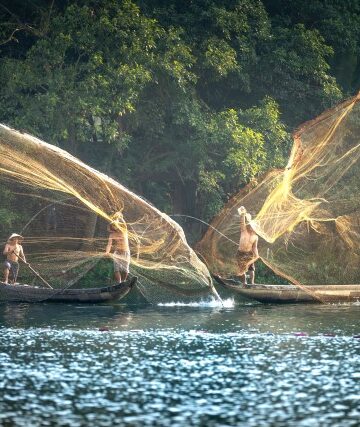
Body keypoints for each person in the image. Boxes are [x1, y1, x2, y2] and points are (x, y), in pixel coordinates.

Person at [105, 212, 130, 283]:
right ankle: (119, 283)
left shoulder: (123, 231)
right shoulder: (112, 235)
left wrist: (120, 217)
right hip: (117, 252)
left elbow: (124, 224)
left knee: (126, 270)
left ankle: (124, 281)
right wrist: (107, 252)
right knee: (116, 269)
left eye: (115, 226)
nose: (114, 227)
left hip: (126, 252)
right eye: (112, 226)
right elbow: (109, 244)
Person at [237, 206, 259, 286]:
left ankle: (252, 283)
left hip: (249, 254)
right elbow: (242, 222)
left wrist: (255, 256)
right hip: (240, 253)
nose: (251, 228)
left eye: (253, 227)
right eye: (250, 226)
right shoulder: (244, 230)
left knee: (251, 269)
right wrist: (243, 214)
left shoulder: (255, 237)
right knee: (241, 270)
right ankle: (244, 283)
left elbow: (255, 248)